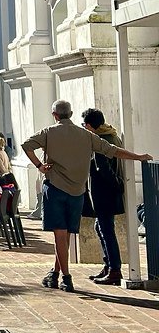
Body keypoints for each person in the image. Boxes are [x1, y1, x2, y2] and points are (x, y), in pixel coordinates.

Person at [23, 99, 151, 292]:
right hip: (77, 191)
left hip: (55, 188)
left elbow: (26, 145)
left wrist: (40, 166)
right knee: (66, 235)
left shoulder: (48, 132)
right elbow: (113, 151)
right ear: (71, 113)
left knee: (60, 235)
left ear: (54, 115)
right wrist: (139, 157)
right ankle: (55, 272)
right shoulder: (86, 135)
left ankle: (65, 277)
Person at [82, 108, 126, 286]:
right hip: (109, 192)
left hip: (103, 192)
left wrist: (116, 184)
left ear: (91, 126)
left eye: (85, 125)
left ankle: (114, 269)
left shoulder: (99, 141)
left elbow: (103, 168)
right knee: (101, 228)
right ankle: (109, 265)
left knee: (106, 230)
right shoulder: (112, 134)